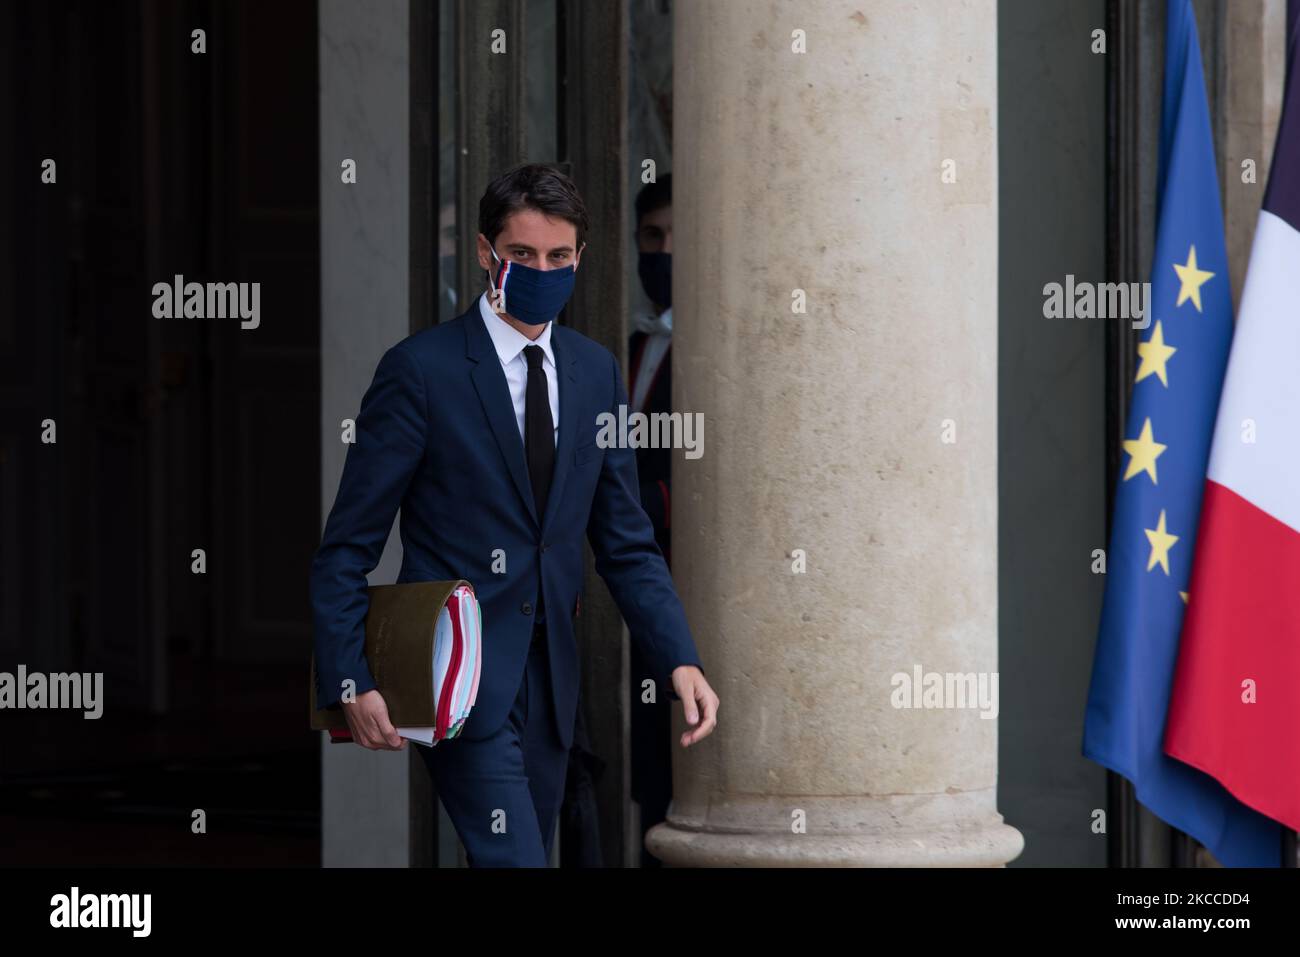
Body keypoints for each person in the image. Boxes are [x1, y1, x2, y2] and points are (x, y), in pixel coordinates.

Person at [310, 163, 719, 867]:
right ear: (484, 252)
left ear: (581, 258)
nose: (541, 270)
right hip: (460, 680)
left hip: (554, 688)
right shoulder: (421, 371)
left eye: (559, 257)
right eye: (522, 255)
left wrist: (678, 656)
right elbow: (346, 546)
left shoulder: (594, 374)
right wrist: (351, 675)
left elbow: (626, 542)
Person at [627, 174, 676, 866]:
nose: (663, 253)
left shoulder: (724, 349)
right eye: (652, 238)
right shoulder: (634, 347)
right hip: (629, 591)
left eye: (677, 239)